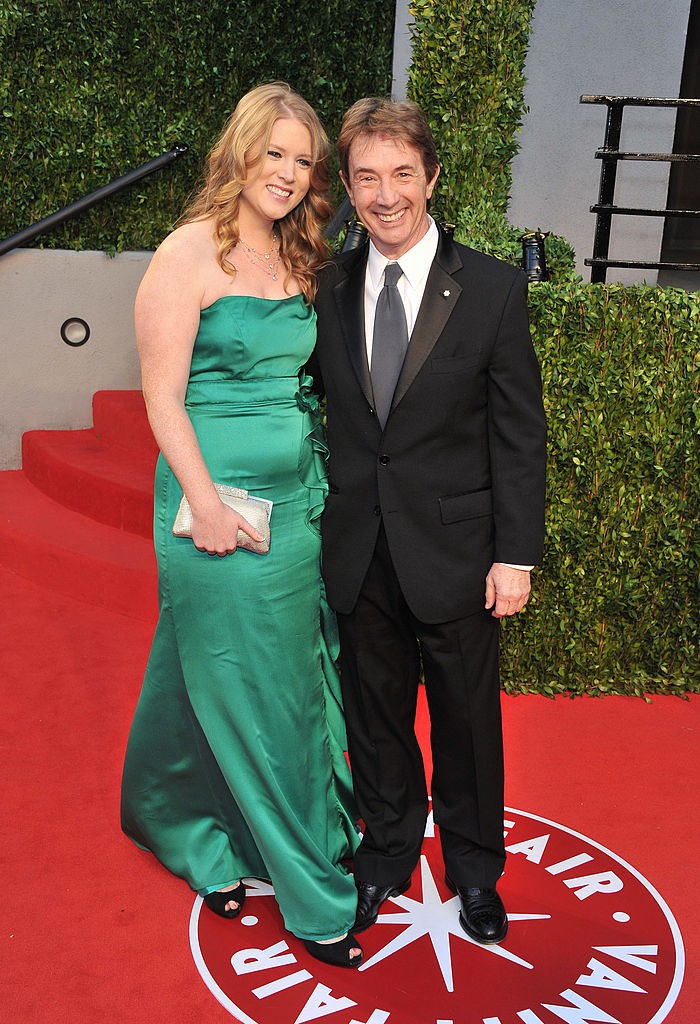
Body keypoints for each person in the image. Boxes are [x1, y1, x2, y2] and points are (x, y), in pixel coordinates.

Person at [120, 83, 363, 969]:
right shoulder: (187, 253)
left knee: (273, 677)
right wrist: (209, 503)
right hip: (211, 511)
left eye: (305, 163)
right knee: (246, 685)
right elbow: (161, 395)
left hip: (297, 504)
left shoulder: (304, 257)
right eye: (277, 155)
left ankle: (186, 821)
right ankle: (310, 892)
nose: (291, 176)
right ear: (242, 153)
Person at [310, 97, 547, 945]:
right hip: (359, 548)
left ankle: (477, 873)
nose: (385, 195)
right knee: (376, 721)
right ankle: (385, 859)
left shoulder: (489, 286)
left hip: (457, 552)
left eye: (401, 174)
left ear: (432, 177)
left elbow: (519, 430)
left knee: (467, 724)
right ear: (345, 184)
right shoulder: (328, 285)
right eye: (366, 177)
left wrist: (515, 555)